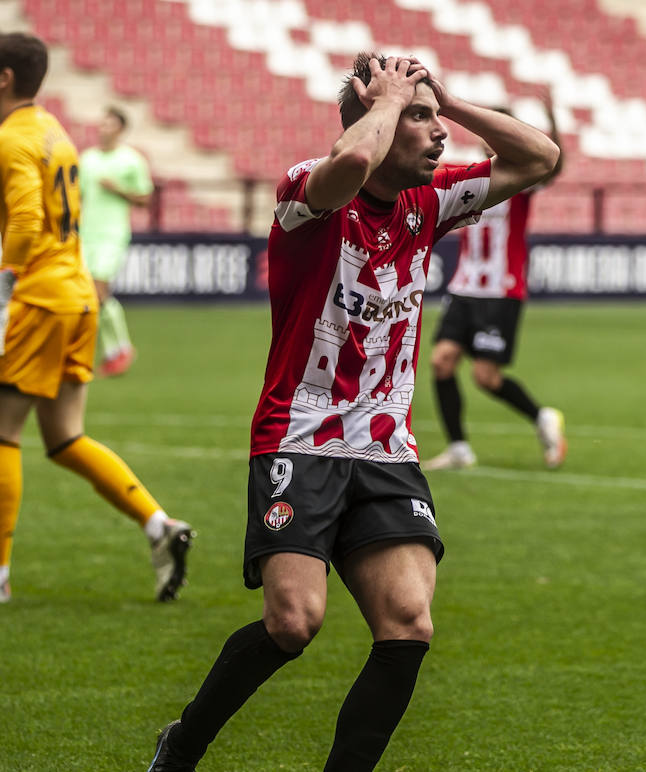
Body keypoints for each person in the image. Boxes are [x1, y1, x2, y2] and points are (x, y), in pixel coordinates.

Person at [144, 53, 558, 772]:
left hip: (387, 448)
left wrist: (448, 100)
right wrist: (389, 105)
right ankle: (183, 744)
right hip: (300, 439)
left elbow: (541, 157)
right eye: (419, 120)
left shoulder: (433, 201)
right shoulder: (307, 192)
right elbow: (345, 171)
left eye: (435, 121)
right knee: (294, 624)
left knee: (408, 624)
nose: (438, 136)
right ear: (377, 122)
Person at [0, 30, 194, 602]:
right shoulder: (55, 131)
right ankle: (160, 526)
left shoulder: (8, 139)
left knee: (0, 432)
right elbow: (44, 229)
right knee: (65, 436)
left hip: (41, 301)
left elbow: (25, 225)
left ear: (4, 78)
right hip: (76, 298)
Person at [423, 93, 567, 472]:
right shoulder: (473, 174)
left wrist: (553, 122)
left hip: (500, 290)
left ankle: (541, 418)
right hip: (464, 285)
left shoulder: (522, 178)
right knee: (441, 362)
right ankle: (458, 448)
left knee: (485, 377)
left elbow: (553, 167)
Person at [79, 106, 152, 377]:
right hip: (87, 234)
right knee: (88, 295)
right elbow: (78, 196)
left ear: (120, 129)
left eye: (109, 124)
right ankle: (113, 352)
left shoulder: (131, 161)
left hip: (112, 234)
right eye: (102, 123)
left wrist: (118, 189)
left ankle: (121, 349)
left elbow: (145, 199)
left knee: (97, 291)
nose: (103, 128)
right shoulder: (86, 159)